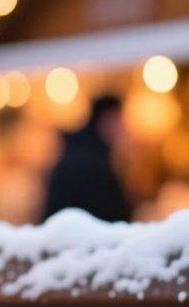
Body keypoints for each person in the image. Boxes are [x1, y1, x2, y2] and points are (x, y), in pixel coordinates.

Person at [43, 94, 132, 222]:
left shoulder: (84, 153)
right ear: (106, 119)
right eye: (119, 120)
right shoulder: (89, 162)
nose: (123, 128)